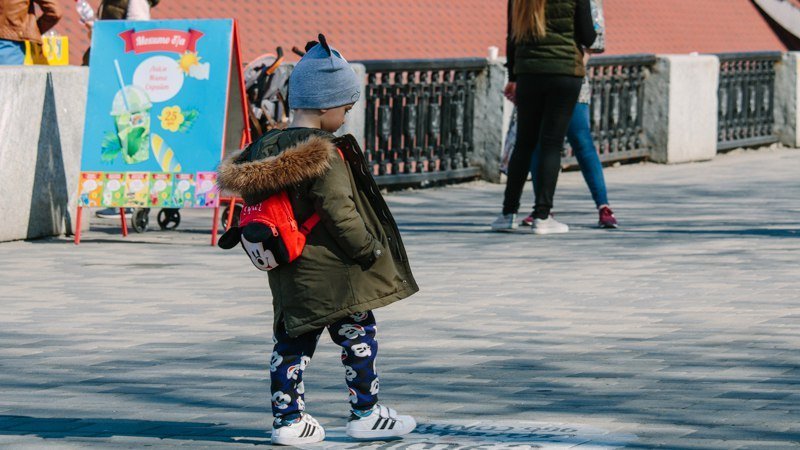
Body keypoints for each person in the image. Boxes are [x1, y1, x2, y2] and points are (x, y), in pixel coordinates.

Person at [217, 35, 419, 446]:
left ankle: (288, 420)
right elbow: (340, 212)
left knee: (291, 344)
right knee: (359, 334)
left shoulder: (263, 149)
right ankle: (365, 413)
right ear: (326, 106)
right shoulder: (322, 153)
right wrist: (369, 250)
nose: (345, 118)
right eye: (345, 109)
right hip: (338, 272)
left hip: (290, 270)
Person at [492, 0, 596, 234]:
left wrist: (514, 77)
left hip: (529, 73)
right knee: (551, 143)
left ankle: (507, 214)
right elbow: (588, 37)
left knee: (524, 143)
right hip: (565, 72)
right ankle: (542, 215)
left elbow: (512, 38)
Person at [522, 0, 618, 229]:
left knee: (581, 140)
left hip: (569, 78)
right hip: (549, 75)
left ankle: (603, 206)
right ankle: (543, 208)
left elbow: (594, 40)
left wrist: (574, 67)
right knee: (540, 143)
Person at [88, 0, 159, 219]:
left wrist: (108, 39)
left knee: (130, 141)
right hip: (118, 69)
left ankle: (128, 201)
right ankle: (122, 199)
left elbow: (138, 32)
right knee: (122, 139)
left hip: (127, 73)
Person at [0, 0, 62, 65]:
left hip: (8, 41)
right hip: (10, 44)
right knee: (9, 74)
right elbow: (55, 11)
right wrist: (35, 30)